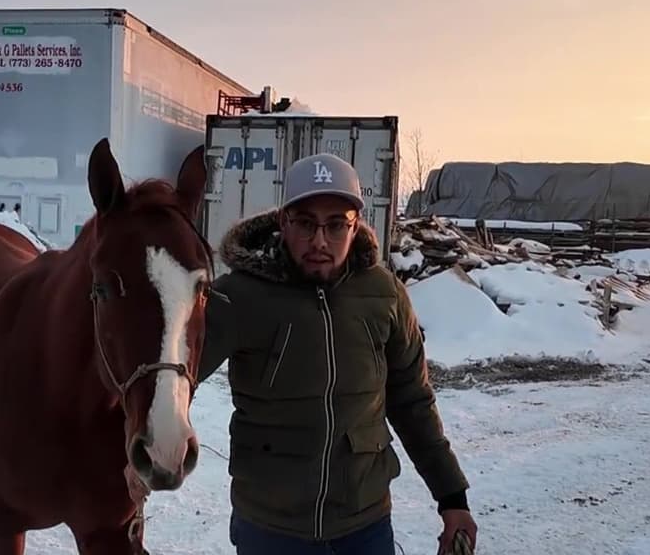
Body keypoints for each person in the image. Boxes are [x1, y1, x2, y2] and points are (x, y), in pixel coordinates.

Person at [197, 152, 478, 555]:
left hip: (363, 525)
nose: (319, 241)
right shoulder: (237, 296)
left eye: (335, 225)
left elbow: (413, 401)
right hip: (271, 528)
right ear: (283, 222)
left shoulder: (383, 294)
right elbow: (171, 382)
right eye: (306, 223)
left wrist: (452, 498)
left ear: (354, 225)